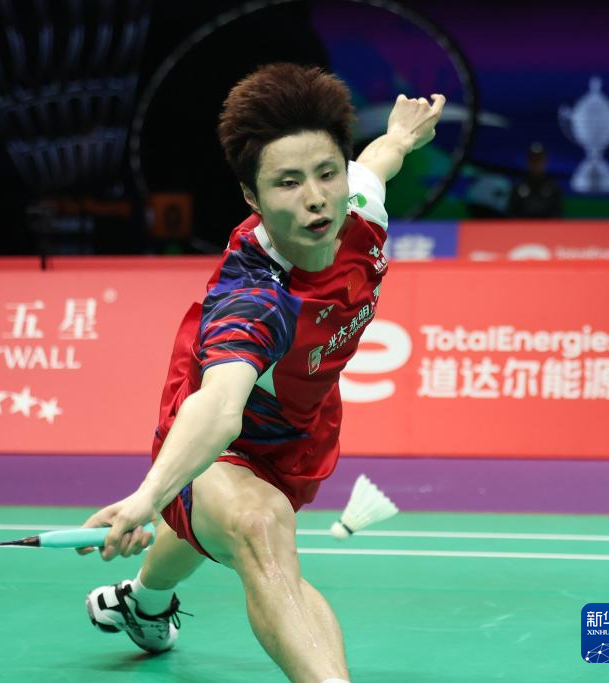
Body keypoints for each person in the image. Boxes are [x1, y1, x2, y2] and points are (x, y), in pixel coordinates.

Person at [77, 63, 445, 683]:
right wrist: (148, 496)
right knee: (256, 527)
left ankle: (143, 603)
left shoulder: (358, 206)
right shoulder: (254, 297)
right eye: (287, 183)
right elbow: (219, 409)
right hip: (220, 429)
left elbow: (377, 162)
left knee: (230, 525)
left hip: (299, 425)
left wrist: (402, 135)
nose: (315, 198)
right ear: (251, 196)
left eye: (327, 173)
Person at [507, 142, 563, 218]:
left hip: (546, 225)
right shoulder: (518, 187)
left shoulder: (553, 188)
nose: (536, 163)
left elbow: (558, 216)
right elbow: (511, 215)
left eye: (539, 160)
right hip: (523, 225)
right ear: (528, 161)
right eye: (533, 160)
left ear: (545, 162)